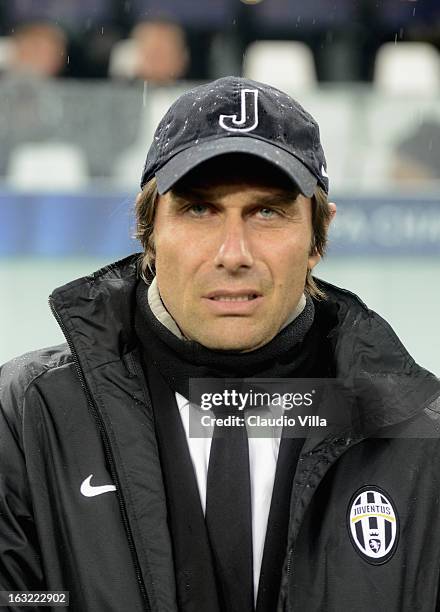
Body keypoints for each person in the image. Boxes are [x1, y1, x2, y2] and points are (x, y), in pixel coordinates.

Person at [0, 76, 439, 612]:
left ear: (319, 236)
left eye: (267, 212)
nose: (233, 253)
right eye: (199, 210)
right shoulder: (25, 417)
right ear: (149, 230)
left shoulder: (419, 434)